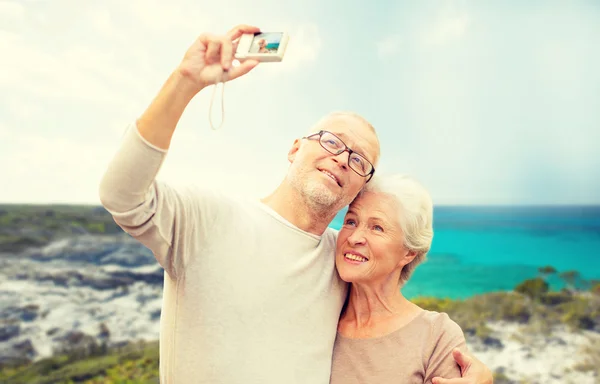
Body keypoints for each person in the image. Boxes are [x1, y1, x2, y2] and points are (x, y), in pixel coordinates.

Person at [98, 24, 493, 384]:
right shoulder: (209, 218)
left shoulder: (340, 261)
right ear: (294, 148)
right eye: (331, 141)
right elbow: (121, 194)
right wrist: (185, 82)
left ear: (359, 188)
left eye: (359, 160)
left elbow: (391, 319)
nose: (341, 158)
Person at [330, 174, 467, 384]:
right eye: (351, 221)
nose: (354, 237)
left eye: (377, 227)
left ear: (408, 253)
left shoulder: (436, 336)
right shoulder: (320, 313)